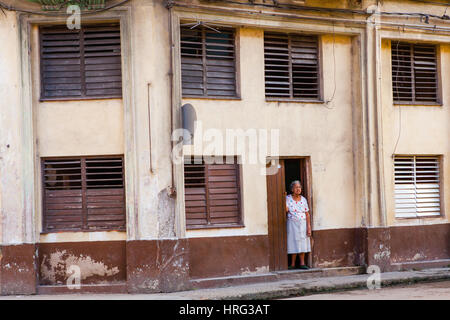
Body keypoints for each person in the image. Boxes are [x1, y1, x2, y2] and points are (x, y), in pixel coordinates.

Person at [286, 180, 311, 270]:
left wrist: (308, 227)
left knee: (303, 242)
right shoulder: (288, 198)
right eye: (296, 187)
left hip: (303, 223)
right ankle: (292, 264)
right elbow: (286, 209)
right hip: (292, 223)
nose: (298, 189)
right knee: (293, 241)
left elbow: (307, 213)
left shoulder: (303, 199)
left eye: (299, 187)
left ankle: (302, 263)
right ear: (292, 189)